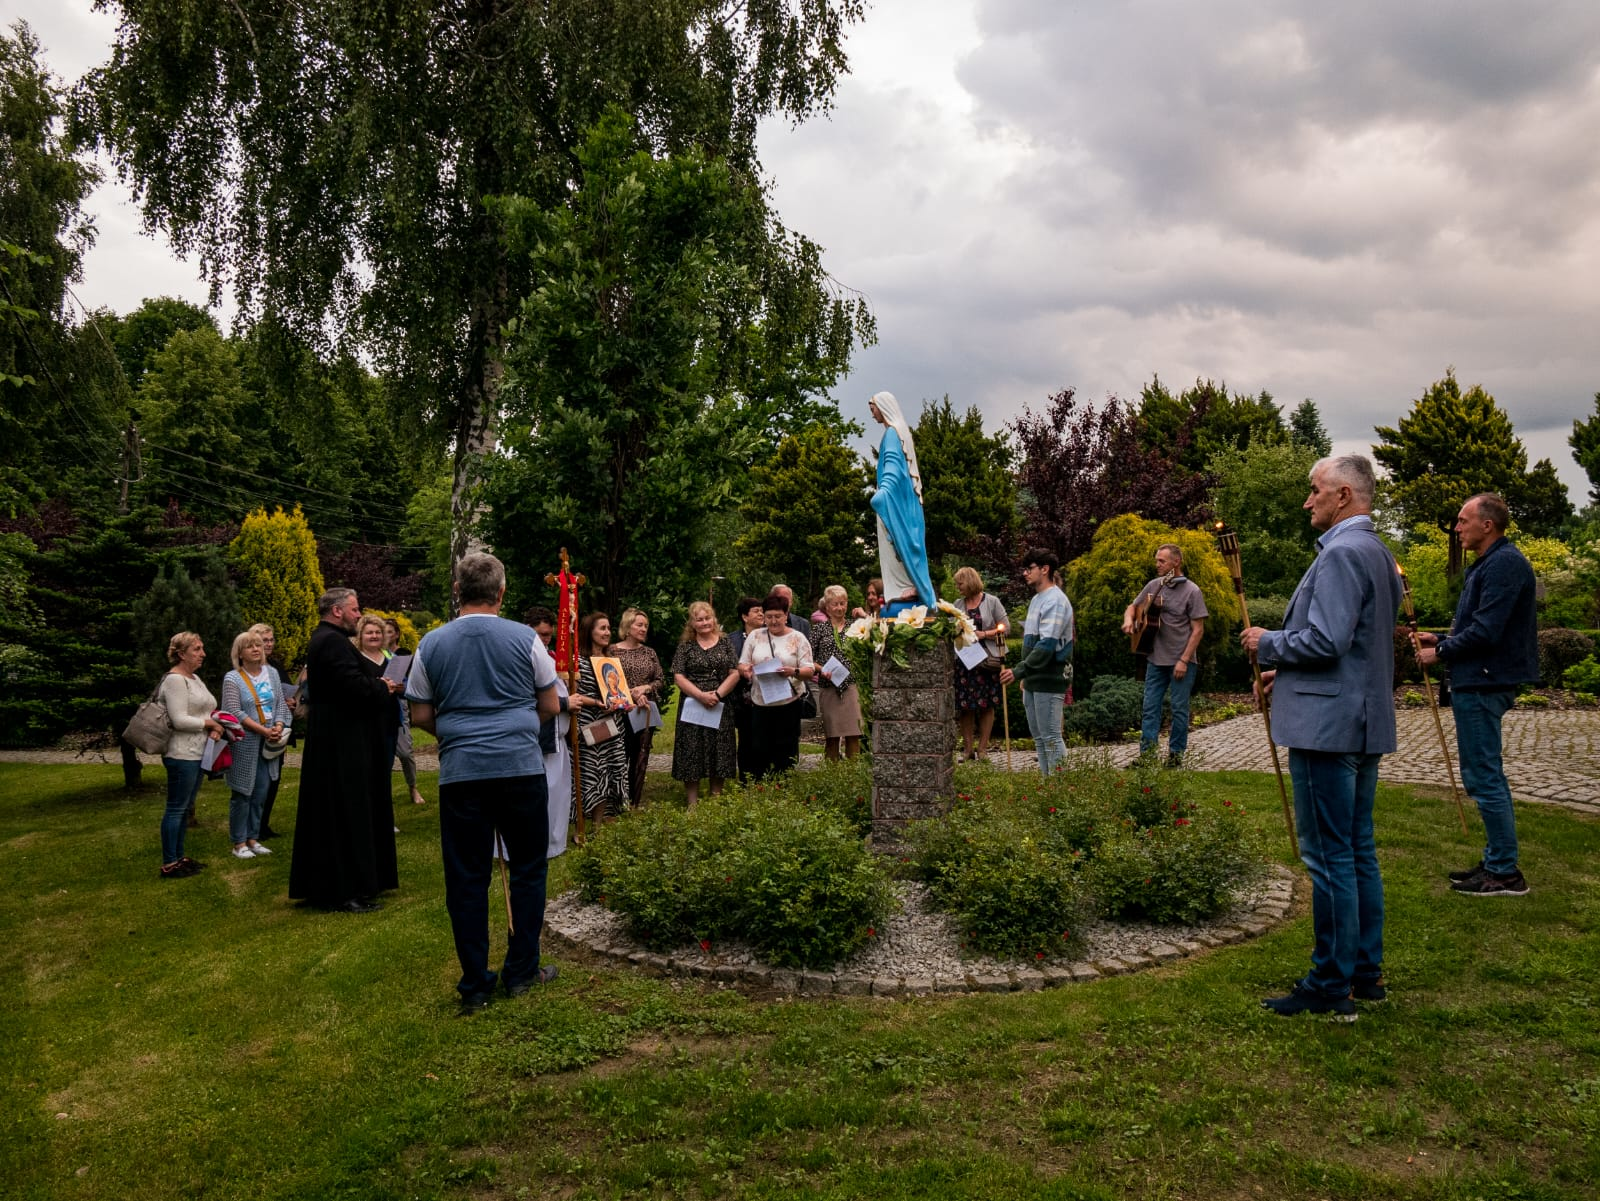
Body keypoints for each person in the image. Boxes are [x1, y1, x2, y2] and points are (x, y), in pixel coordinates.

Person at [1241, 454, 1402, 1020]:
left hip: (1328, 729)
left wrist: (1269, 642)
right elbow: (1355, 644)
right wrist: (1286, 671)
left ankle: (1331, 984)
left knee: (1328, 856)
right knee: (1357, 850)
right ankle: (1365, 973)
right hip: (1361, 721)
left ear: (1343, 496)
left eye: (1314, 490)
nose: (1307, 501)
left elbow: (1326, 639)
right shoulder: (1379, 553)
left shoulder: (1342, 554)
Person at [406, 553, 560, 1012]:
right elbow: (550, 704)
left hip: (463, 774)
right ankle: (521, 972)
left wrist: (459, 735)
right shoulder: (526, 640)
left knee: (467, 878)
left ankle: (475, 985)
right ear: (502, 591)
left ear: (457, 589)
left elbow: (419, 714)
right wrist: (513, 731)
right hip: (519, 768)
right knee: (528, 869)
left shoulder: (431, 643)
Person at [1417, 492, 1538, 897]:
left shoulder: (1504, 563)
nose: (1457, 527)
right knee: (1483, 774)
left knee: (1485, 777)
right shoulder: (1489, 564)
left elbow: (1488, 632)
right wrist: (1444, 637)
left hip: (1485, 683)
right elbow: (1481, 626)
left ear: (1488, 525)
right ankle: (1495, 860)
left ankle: (1504, 871)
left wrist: (1441, 652)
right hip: (1478, 680)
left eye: (1463, 520)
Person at [288, 588, 402, 914]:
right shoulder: (333, 642)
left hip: (335, 736)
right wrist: (382, 686)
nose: (357, 614)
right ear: (337, 611)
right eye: (354, 609)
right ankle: (344, 888)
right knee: (344, 810)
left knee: (331, 810)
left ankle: (330, 884)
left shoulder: (325, 639)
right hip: (340, 742)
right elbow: (351, 686)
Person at [1122, 543, 1208, 767]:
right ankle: (1147, 757)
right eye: (1157, 560)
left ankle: (1175, 756)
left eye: (1162, 561)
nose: (1157, 564)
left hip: (1182, 661)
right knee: (1150, 708)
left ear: (1176, 562)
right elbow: (1132, 607)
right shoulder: (1154, 585)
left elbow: (1198, 630)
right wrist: (1128, 620)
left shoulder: (1192, 591)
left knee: (1179, 710)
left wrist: (1183, 660)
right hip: (1155, 659)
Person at [156, 632, 224, 879]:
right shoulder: (175, 680)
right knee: (175, 808)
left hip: (198, 752)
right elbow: (179, 719)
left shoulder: (194, 678)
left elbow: (208, 708)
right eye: (196, 649)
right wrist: (210, 724)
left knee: (184, 808)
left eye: (202, 648)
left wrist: (216, 725)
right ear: (181, 653)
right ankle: (169, 863)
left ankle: (179, 857)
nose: (202, 653)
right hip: (180, 753)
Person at [999, 549, 1072, 777]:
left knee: (1051, 735)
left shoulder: (1056, 601)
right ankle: (1047, 786)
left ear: (1044, 569)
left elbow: (1047, 645)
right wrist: (1027, 676)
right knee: (1039, 738)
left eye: (1029, 568)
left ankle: (1061, 788)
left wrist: (1020, 671)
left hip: (1050, 676)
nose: (1024, 573)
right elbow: (1032, 642)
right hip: (1034, 678)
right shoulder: (1037, 599)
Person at [220, 629, 290, 860]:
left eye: (258, 645)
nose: (256, 649)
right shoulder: (233, 678)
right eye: (250, 646)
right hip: (246, 742)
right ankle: (238, 842)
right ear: (239, 652)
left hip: (270, 740)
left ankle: (253, 837)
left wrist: (278, 725)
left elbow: (280, 703)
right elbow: (234, 711)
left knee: (261, 791)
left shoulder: (271, 673)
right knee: (243, 792)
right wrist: (262, 730)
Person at [868, 392, 936, 613]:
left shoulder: (892, 433)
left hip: (895, 502)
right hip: (903, 502)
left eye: (873, 408)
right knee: (902, 544)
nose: (872, 413)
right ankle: (905, 587)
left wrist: (884, 492)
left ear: (884, 406)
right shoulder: (899, 432)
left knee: (898, 544)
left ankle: (907, 586)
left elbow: (894, 470)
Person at [737, 592, 815, 778]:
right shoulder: (755, 636)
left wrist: (793, 671)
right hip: (761, 703)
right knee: (759, 750)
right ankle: (760, 789)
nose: (773, 621)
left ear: (786, 615)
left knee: (785, 751)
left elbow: (810, 670)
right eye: (769, 617)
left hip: (788, 704)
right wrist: (746, 671)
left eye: (777, 616)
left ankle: (782, 788)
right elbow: (742, 663)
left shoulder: (798, 638)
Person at [670, 601, 740, 805]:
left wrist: (717, 695)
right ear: (692, 623)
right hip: (693, 703)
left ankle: (715, 798)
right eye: (699, 619)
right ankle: (692, 802)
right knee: (691, 749)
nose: (704, 623)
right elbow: (678, 676)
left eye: (707, 618)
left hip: (720, 702)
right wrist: (700, 696)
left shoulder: (725, 642)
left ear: (714, 619)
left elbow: (734, 672)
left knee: (720, 748)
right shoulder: (686, 646)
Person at [526, 606, 575, 855]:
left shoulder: (552, 655)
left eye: (548, 635)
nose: (544, 639)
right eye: (540, 634)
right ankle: (537, 845)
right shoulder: (526, 657)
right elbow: (533, 699)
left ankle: (553, 844)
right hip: (539, 735)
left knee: (558, 792)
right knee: (542, 793)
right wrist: (567, 703)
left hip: (558, 736)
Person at [573, 612, 629, 821]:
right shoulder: (577, 660)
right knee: (593, 774)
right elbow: (573, 694)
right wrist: (597, 702)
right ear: (590, 631)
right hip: (590, 726)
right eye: (602, 628)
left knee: (610, 773)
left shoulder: (610, 660)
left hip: (613, 725)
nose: (607, 633)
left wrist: (623, 703)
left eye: (608, 628)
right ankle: (583, 824)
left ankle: (600, 825)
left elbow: (618, 691)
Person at [951, 566, 1008, 762]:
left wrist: (984, 634)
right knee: (965, 706)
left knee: (987, 705)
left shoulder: (992, 601)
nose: (958, 587)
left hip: (987, 661)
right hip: (965, 662)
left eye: (960, 583)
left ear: (971, 582)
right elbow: (950, 629)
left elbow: (1005, 628)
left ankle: (983, 749)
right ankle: (967, 749)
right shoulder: (957, 604)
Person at [612, 607, 665, 808]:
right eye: (639, 625)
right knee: (619, 755)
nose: (643, 629)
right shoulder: (612, 651)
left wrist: (645, 689)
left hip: (644, 711)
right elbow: (606, 681)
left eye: (646, 626)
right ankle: (617, 802)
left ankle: (634, 802)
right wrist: (630, 694)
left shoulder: (649, 652)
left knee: (640, 756)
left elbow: (660, 680)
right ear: (627, 626)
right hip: (620, 711)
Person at [809, 584, 864, 761]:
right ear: (827, 607)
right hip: (828, 686)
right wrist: (821, 669)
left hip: (850, 685)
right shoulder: (819, 629)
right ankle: (832, 776)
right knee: (832, 736)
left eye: (842, 603)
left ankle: (852, 775)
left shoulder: (854, 626)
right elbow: (808, 657)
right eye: (835, 604)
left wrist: (864, 615)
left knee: (853, 733)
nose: (839, 608)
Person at [250, 623, 290, 839]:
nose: (268, 644)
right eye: (264, 640)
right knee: (256, 783)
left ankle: (263, 824)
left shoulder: (275, 666)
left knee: (273, 779)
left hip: (278, 728)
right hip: (256, 731)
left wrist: (290, 701)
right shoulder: (246, 670)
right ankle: (251, 828)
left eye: (271, 640)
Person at [383, 618, 427, 806]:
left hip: (399, 704)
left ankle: (413, 787)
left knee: (405, 752)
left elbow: (414, 682)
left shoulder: (404, 656)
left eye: (390, 631)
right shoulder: (375, 655)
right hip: (380, 705)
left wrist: (404, 688)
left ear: (397, 634)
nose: (386, 635)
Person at [728, 597, 765, 782]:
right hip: (742, 698)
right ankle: (745, 779)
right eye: (756, 611)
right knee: (745, 739)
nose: (761, 614)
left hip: (767, 695)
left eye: (762, 610)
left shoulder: (770, 635)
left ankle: (764, 777)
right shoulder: (732, 640)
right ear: (744, 616)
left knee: (765, 739)